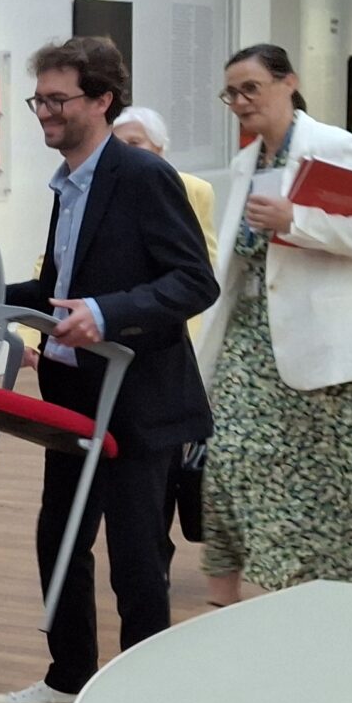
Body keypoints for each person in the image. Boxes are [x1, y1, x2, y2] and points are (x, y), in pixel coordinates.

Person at [0, 38, 218, 703]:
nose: (44, 113)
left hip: (139, 400)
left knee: (137, 558)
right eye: (38, 100)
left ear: (102, 100)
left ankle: (146, 700)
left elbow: (194, 281)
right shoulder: (67, 185)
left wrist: (108, 313)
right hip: (72, 398)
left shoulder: (143, 177)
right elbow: (60, 286)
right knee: (58, 539)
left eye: (57, 100)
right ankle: (69, 679)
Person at [199, 44, 352, 603]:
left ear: (289, 83)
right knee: (230, 459)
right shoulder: (246, 163)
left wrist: (297, 220)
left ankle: (344, 599)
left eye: (251, 88)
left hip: (327, 343)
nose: (241, 101)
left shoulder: (333, 146)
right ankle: (234, 594)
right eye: (231, 93)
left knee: (336, 482)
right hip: (249, 335)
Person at [111, 105, 219, 567]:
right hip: (116, 339)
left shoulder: (191, 189)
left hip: (173, 340)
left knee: (166, 461)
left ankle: (163, 553)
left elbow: (200, 270)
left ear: (160, 149)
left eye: (135, 143)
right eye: (118, 143)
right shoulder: (96, 190)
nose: (125, 152)